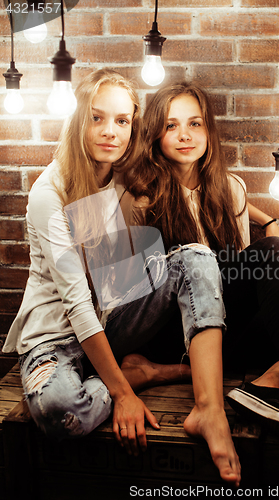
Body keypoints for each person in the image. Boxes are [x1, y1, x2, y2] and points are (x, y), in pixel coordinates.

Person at [2, 68, 246, 486]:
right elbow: (77, 304)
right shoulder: (50, 192)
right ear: (78, 119)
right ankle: (148, 373)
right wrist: (122, 393)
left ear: (132, 126)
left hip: (112, 321)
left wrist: (264, 218)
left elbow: (206, 181)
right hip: (56, 340)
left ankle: (211, 411)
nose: (109, 131)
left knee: (197, 258)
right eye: (97, 118)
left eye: (122, 121)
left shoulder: (119, 178)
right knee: (61, 412)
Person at [126, 82, 279, 473]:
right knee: (274, 252)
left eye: (195, 123)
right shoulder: (141, 199)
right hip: (181, 339)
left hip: (232, 336)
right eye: (172, 126)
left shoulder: (231, 189)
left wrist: (266, 220)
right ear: (155, 134)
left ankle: (271, 379)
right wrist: (271, 234)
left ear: (209, 131)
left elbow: (242, 281)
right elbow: (144, 302)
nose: (185, 135)